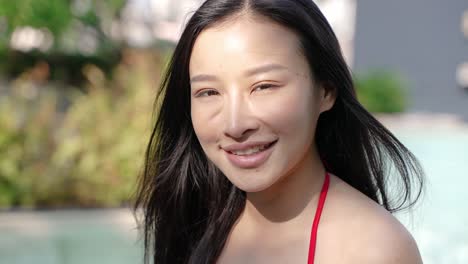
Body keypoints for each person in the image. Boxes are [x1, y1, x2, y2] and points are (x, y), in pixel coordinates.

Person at [134, 0, 425, 263]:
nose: (234, 124)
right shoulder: (195, 219)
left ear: (325, 90)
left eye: (264, 86)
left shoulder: (372, 251)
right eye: (209, 92)